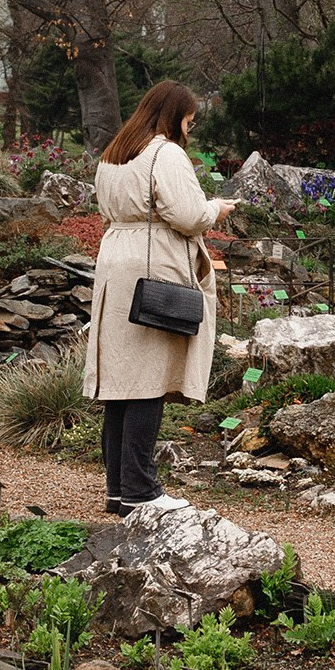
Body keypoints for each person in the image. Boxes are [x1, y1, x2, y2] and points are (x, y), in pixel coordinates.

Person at [82, 78, 233, 514]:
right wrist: (215, 209)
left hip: (115, 263)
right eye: (189, 119)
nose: (190, 128)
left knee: (121, 385)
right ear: (174, 116)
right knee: (147, 380)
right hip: (152, 266)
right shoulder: (165, 153)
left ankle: (118, 488)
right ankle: (141, 490)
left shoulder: (115, 153)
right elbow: (187, 215)